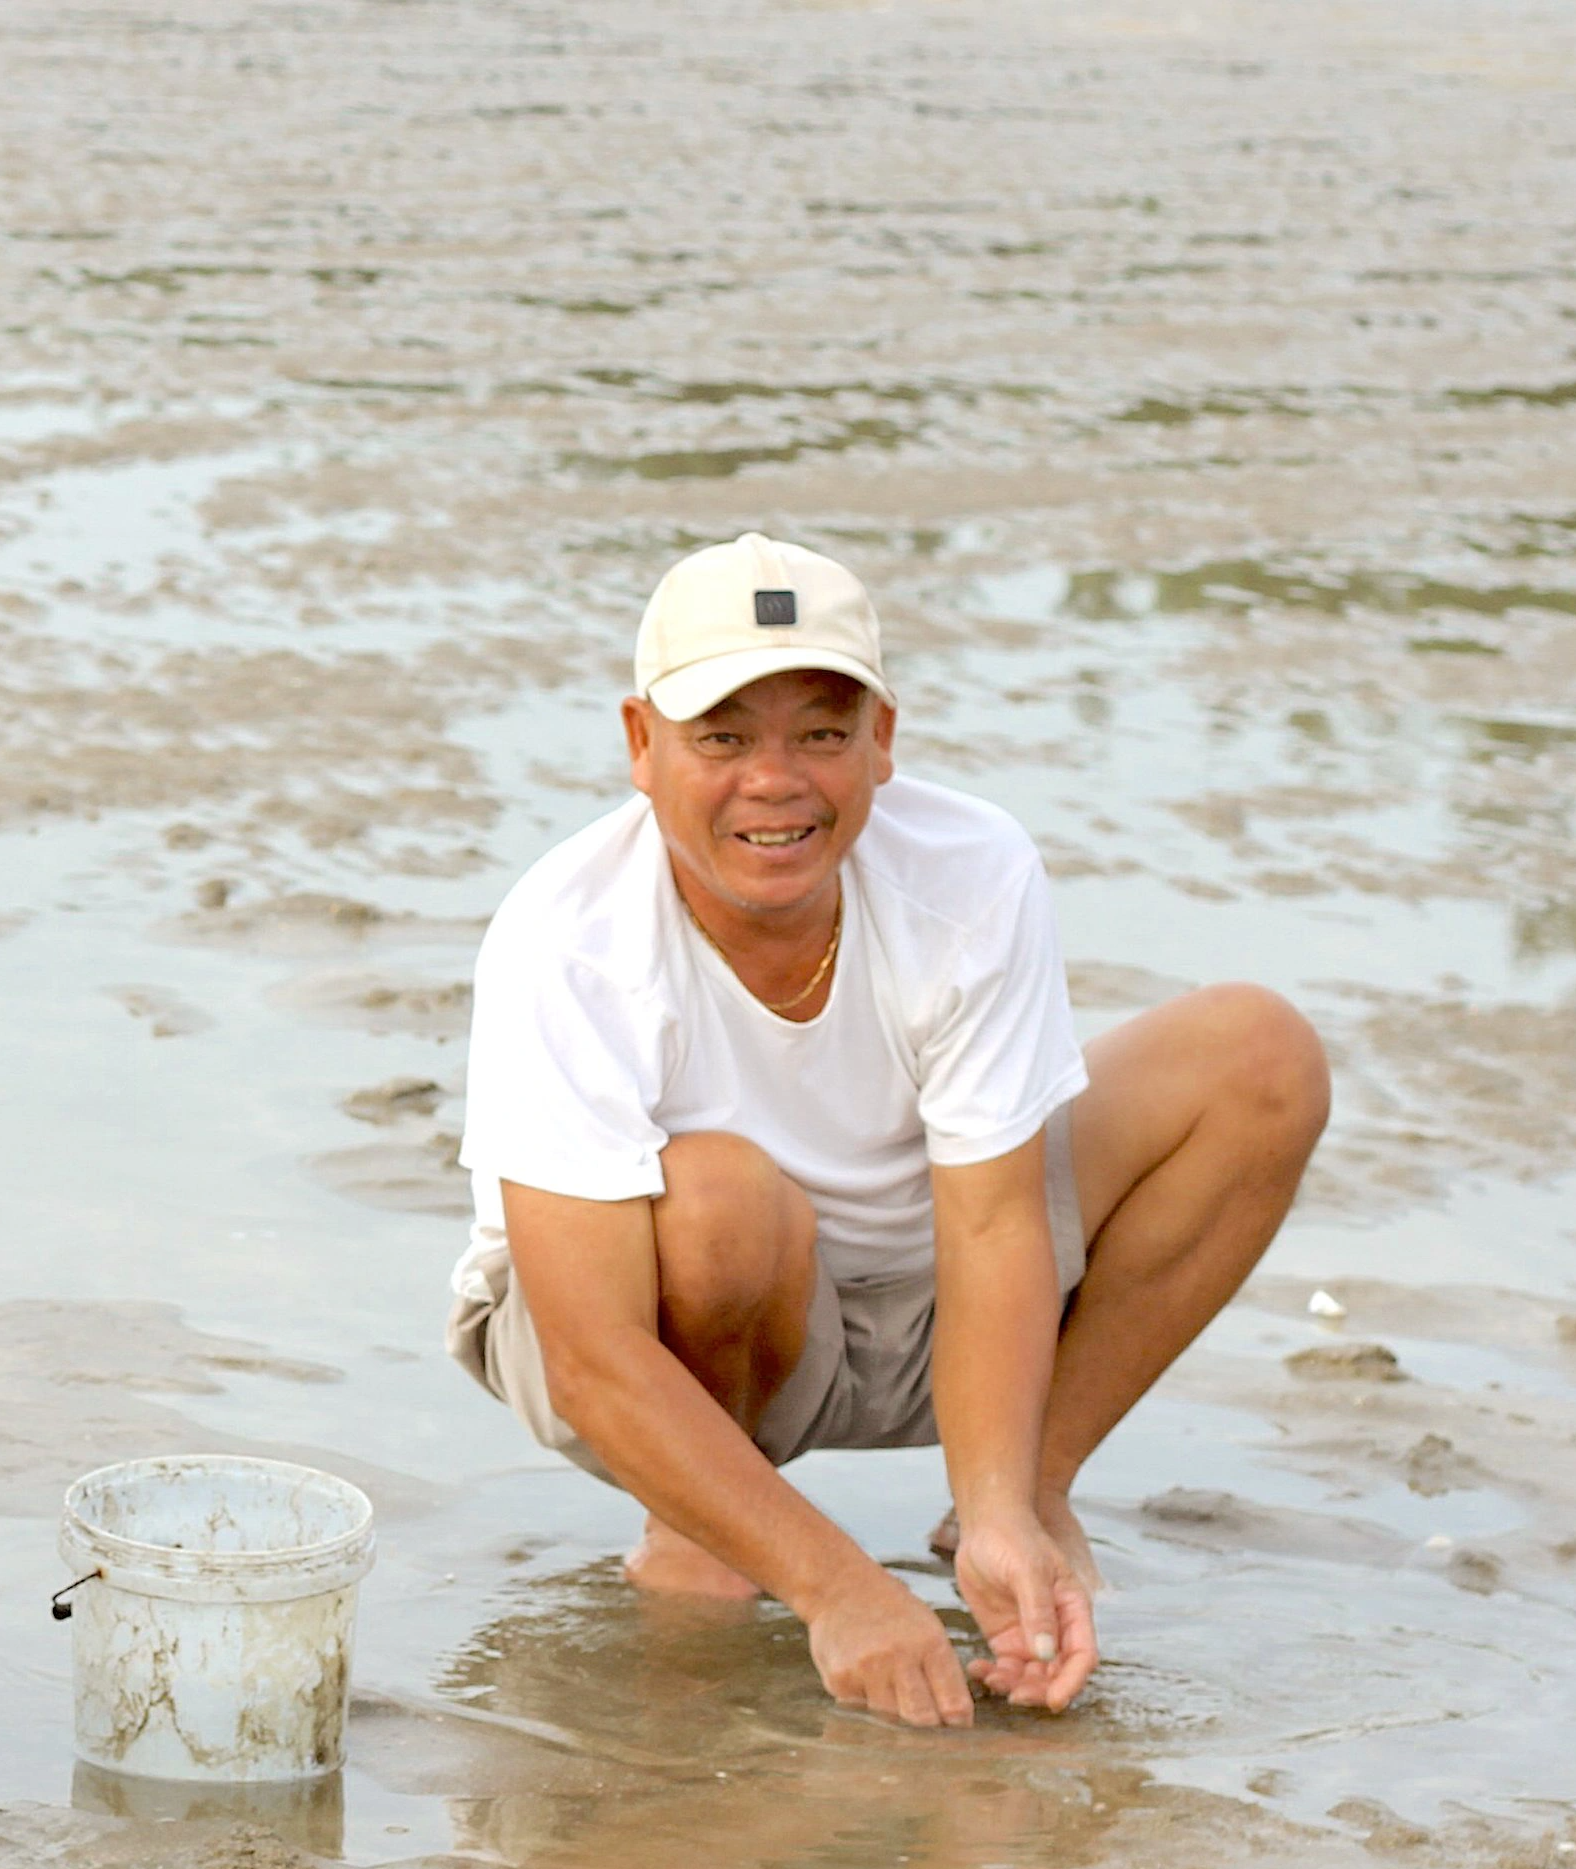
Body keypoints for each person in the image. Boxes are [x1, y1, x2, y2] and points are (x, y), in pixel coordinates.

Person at [450, 534, 1327, 1728]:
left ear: (884, 742)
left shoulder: (972, 871)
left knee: (1256, 1054)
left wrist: (1005, 1500)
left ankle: (1017, 1502)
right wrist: (835, 1589)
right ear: (641, 747)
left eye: (822, 732)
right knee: (719, 1202)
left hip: (923, 1298)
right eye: (722, 737)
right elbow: (595, 1358)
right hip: (647, 1331)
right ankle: (705, 1532)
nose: (777, 780)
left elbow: (995, 1222)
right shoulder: (565, 938)